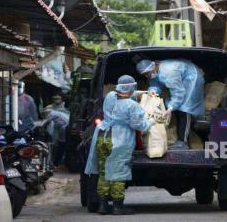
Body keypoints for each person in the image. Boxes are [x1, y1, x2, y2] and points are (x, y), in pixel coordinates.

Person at [84, 75, 154, 215]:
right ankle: (118, 207)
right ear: (131, 87)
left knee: (104, 173)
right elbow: (137, 125)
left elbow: (127, 93)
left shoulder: (110, 96)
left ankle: (102, 206)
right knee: (118, 173)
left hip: (103, 136)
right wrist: (150, 122)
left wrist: (144, 93)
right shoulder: (132, 105)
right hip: (119, 140)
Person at [136, 59, 205, 150]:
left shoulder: (169, 72)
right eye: (144, 74)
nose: (147, 76)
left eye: (147, 73)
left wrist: (171, 108)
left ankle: (182, 142)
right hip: (180, 79)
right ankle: (180, 135)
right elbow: (155, 82)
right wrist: (153, 90)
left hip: (192, 78)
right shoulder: (156, 71)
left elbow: (178, 92)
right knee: (174, 106)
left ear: (153, 66)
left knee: (185, 108)